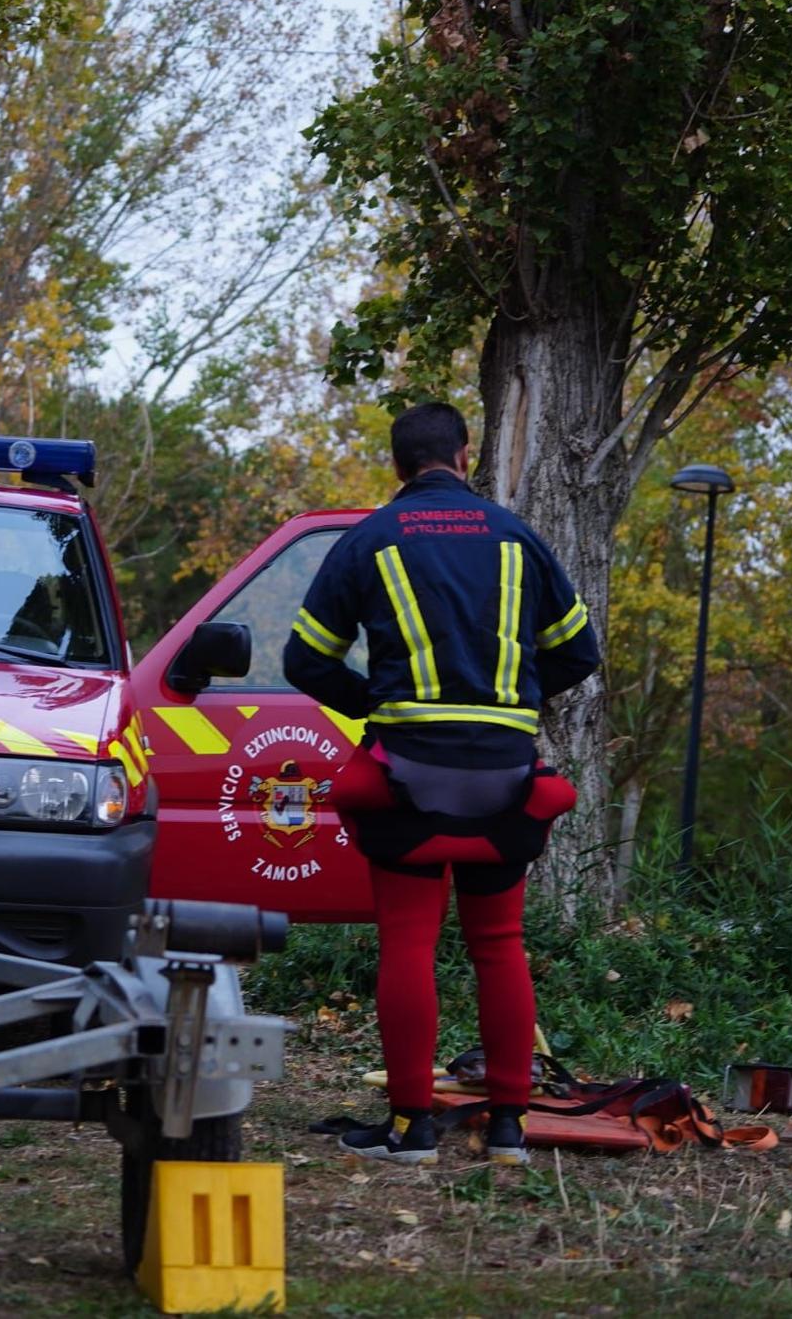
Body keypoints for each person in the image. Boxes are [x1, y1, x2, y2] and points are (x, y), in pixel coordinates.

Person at [284, 401, 601, 1166]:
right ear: (467, 454)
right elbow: (579, 651)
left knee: (409, 942)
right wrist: (514, 700)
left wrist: (377, 703)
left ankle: (410, 1129)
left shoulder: (370, 540)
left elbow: (305, 660)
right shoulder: (518, 538)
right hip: (504, 773)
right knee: (499, 945)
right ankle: (509, 1132)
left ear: (399, 466)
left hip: (408, 770)